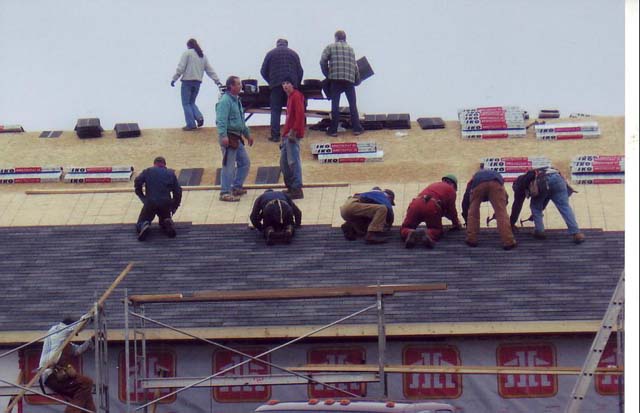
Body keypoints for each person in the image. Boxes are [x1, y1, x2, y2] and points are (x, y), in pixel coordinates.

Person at [510, 167, 585, 244]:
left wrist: (511, 223)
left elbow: (517, 205)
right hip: (558, 178)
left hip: (543, 181)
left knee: (535, 207)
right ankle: (576, 233)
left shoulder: (520, 185)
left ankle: (539, 231)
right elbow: (546, 198)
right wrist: (535, 216)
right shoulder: (530, 175)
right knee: (564, 207)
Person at [39, 316, 95, 413]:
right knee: (86, 383)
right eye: (74, 333)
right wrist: (92, 316)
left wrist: (91, 341)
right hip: (52, 375)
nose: (73, 335)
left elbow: (77, 350)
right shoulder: (59, 330)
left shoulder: (61, 341)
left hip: (57, 375)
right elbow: (79, 325)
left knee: (85, 394)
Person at [216, 76, 254, 201]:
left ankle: (236, 187)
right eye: (238, 84)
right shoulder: (225, 101)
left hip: (237, 138)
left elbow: (241, 121)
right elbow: (221, 120)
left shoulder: (236, 101)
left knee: (245, 163)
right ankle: (225, 192)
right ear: (231, 86)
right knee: (229, 165)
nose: (240, 86)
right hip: (229, 137)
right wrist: (223, 136)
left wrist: (247, 134)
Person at [319, 30, 364, 137]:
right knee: (353, 105)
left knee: (335, 105)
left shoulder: (330, 47)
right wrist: (357, 80)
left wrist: (327, 74)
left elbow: (322, 61)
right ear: (345, 38)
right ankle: (357, 128)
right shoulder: (351, 49)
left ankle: (333, 130)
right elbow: (355, 67)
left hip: (335, 80)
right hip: (349, 80)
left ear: (336, 38)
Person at [171, 38, 222, 131]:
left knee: (186, 103)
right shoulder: (202, 56)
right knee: (192, 102)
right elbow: (210, 70)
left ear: (188, 45)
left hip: (187, 81)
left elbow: (181, 68)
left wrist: (174, 79)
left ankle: (191, 124)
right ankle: (199, 117)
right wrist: (217, 81)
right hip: (197, 82)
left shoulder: (187, 53)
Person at [260, 39, 304, 142]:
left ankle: (275, 136)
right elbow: (300, 71)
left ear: (277, 44)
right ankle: (293, 133)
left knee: (275, 110)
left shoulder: (270, 54)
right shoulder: (294, 54)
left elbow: (263, 71)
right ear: (287, 45)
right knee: (293, 110)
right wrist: (296, 84)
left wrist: (271, 82)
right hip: (292, 86)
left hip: (276, 85)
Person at [401, 175, 463, 248]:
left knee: (406, 227)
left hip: (416, 203)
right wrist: (456, 223)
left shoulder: (433, 185)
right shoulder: (451, 190)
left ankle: (409, 232)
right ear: (453, 185)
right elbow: (452, 211)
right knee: (436, 230)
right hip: (431, 205)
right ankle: (428, 234)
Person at [461, 169, 516, 250]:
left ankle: (471, 239)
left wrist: (466, 219)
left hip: (478, 184)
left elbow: (466, 202)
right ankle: (508, 242)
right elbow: (505, 197)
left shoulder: (473, 179)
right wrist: (501, 208)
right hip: (496, 182)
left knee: (473, 212)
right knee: (501, 213)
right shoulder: (496, 176)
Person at [134, 156, 182, 241]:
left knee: (142, 220)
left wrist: (142, 196)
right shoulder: (170, 173)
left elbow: (138, 182)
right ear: (164, 164)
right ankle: (166, 222)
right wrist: (174, 206)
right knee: (164, 218)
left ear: (154, 164)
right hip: (166, 202)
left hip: (150, 201)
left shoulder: (148, 171)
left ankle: (144, 224)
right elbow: (178, 191)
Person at [280, 78, 306, 199]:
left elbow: (300, 114)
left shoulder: (296, 96)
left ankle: (296, 189)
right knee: (284, 163)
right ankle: (291, 187)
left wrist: (293, 131)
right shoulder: (290, 97)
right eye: (284, 83)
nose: (285, 86)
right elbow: (289, 118)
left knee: (293, 162)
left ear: (292, 85)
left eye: (288, 83)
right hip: (287, 135)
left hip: (292, 135)